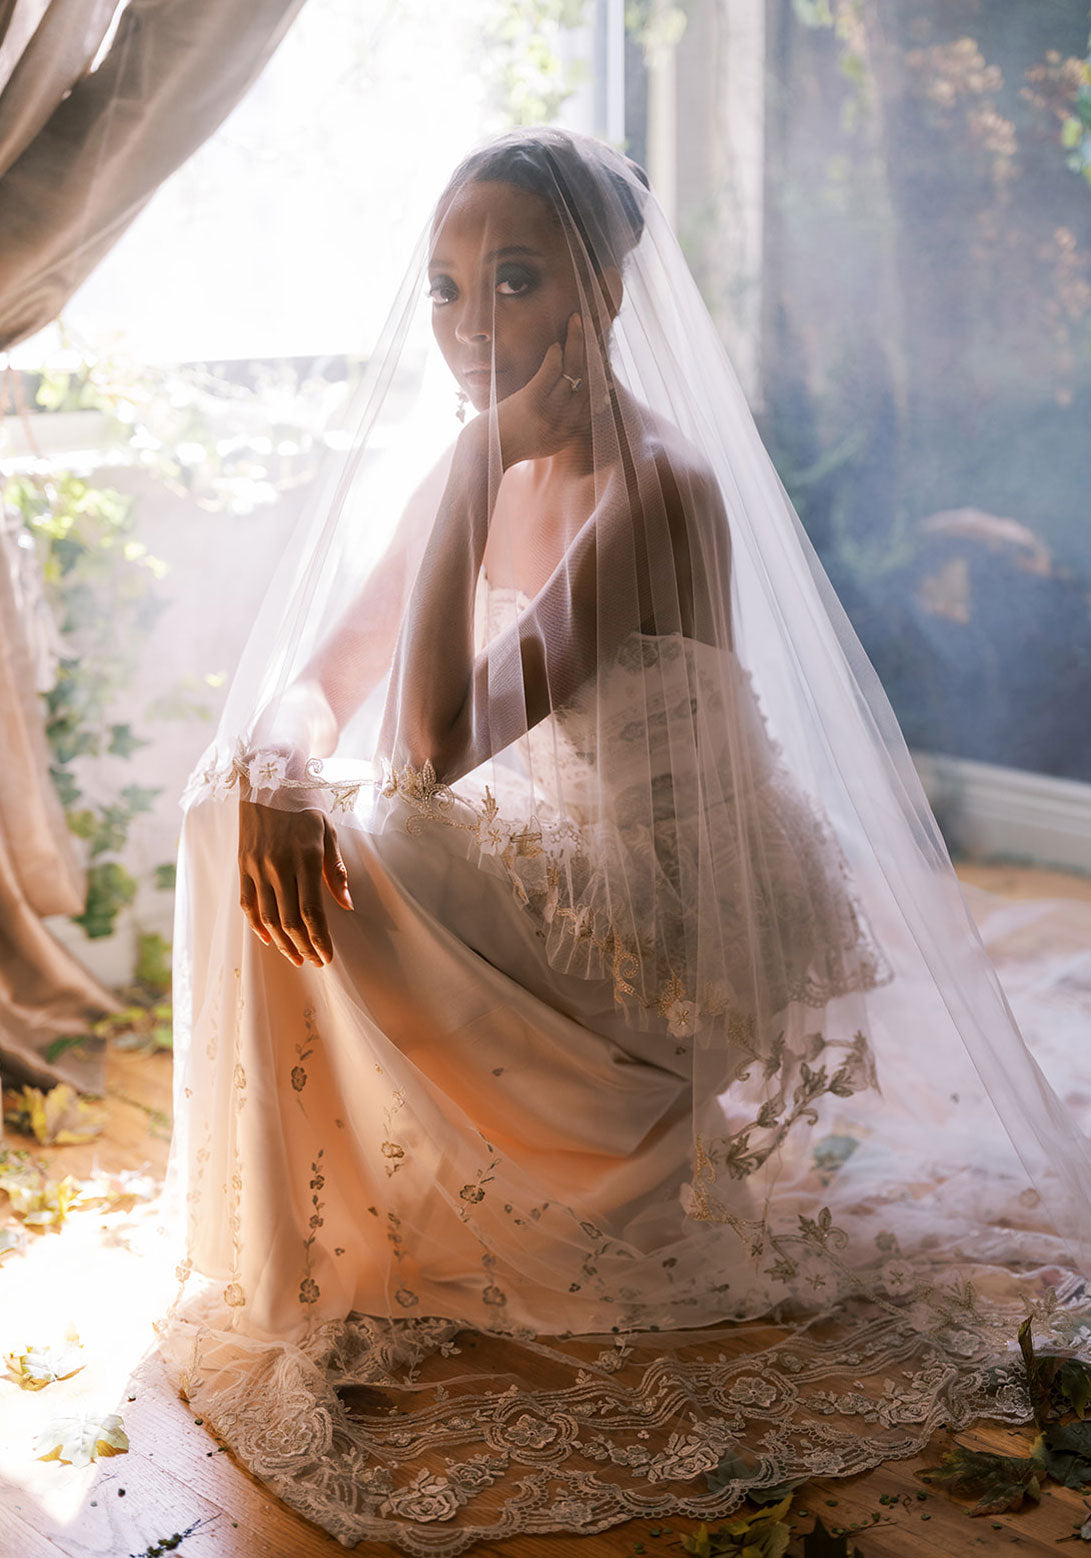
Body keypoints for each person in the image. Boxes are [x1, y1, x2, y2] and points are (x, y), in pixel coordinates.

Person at [156, 128, 1091, 1552]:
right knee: (239, 792)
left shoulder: (659, 487)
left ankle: (527, 1167)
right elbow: (325, 670)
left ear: (594, 298)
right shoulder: (481, 454)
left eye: (513, 281)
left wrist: (475, 469)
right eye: (447, 288)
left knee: (376, 825)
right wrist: (279, 761)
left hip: (651, 945)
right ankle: (335, 1232)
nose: (472, 327)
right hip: (550, 857)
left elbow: (424, 742)